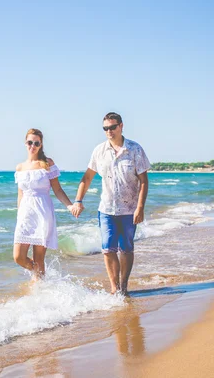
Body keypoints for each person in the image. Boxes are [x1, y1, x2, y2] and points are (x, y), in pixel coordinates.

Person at [71, 112, 150, 294]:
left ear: (121, 126)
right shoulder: (99, 151)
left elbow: (144, 181)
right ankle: (114, 288)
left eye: (112, 127)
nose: (109, 131)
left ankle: (124, 285)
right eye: (105, 128)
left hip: (129, 210)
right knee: (107, 248)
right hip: (106, 209)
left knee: (127, 249)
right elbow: (88, 177)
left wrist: (140, 207)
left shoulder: (135, 149)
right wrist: (78, 200)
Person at [13, 128, 75, 280]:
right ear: (25, 143)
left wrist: (70, 205)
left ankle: (38, 290)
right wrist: (19, 215)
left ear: (41, 145)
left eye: (36, 143)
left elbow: (58, 189)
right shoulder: (19, 167)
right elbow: (20, 194)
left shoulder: (47, 164)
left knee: (39, 258)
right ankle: (38, 275)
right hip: (25, 214)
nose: (32, 146)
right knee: (18, 257)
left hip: (43, 211)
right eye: (30, 142)